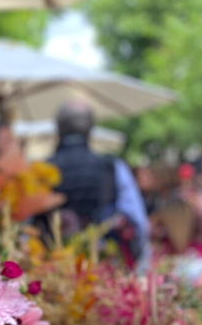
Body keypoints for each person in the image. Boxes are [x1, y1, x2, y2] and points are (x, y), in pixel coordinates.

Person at [50, 100, 149, 262]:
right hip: (103, 266)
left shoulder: (42, 169)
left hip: (51, 266)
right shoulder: (112, 167)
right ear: (90, 129)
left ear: (58, 129)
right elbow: (137, 222)